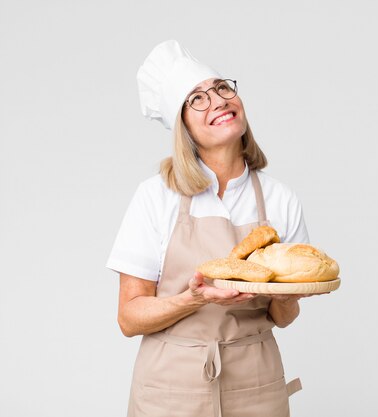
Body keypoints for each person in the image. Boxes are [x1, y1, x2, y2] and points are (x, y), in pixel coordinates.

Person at [107, 40, 310, 417]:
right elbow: (129, 317)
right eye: (197, 98)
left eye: (222, 88)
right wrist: (194, 298)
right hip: (171, 386)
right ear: (182, 126)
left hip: (256, 381)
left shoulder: (280, 199)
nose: (218, 100)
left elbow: (284, 318)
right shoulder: (156, 197)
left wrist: (288, 294)